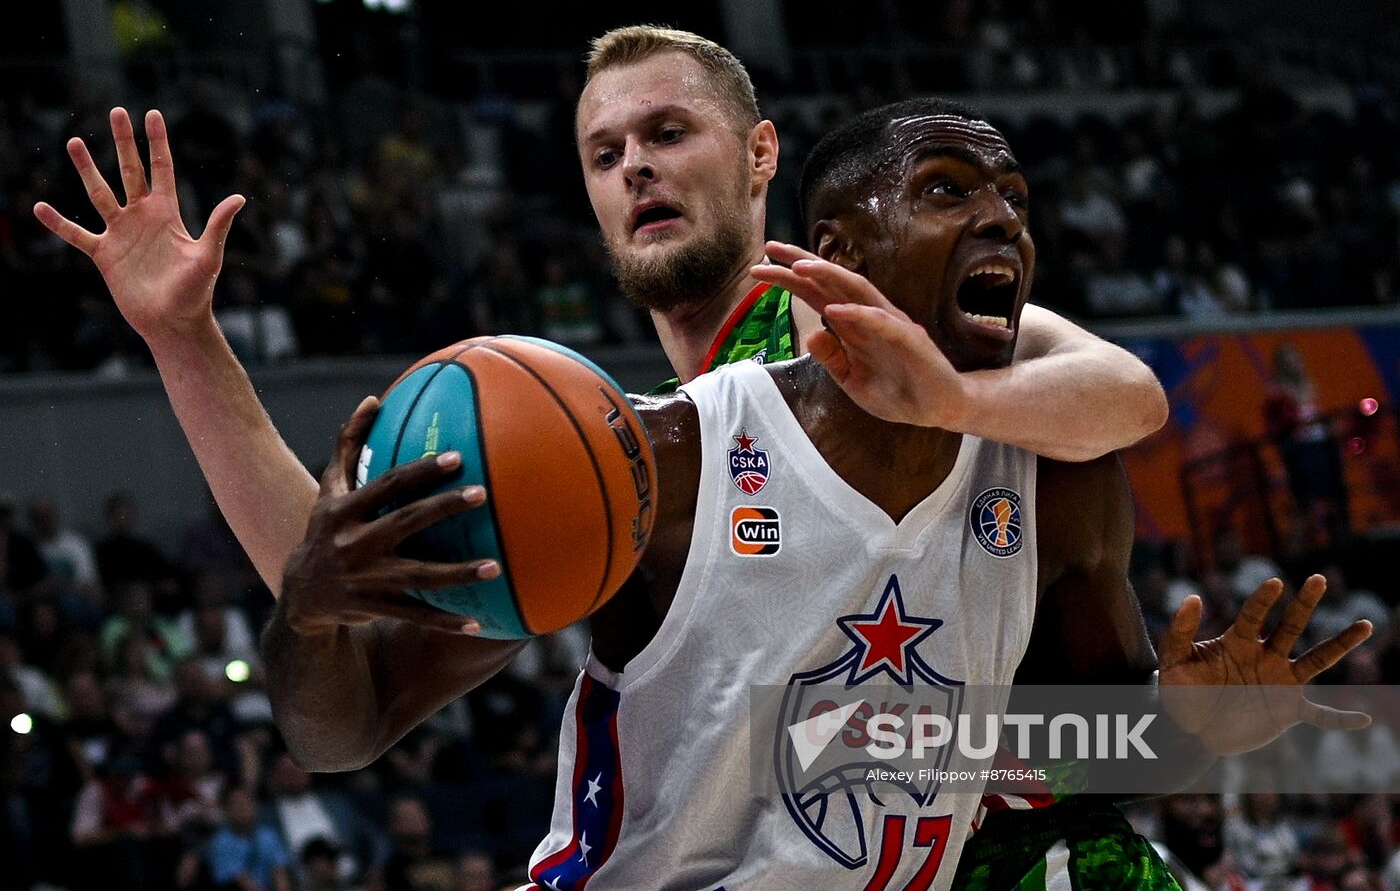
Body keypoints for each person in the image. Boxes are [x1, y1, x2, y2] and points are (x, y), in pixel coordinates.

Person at [260, 98, 1370, 890]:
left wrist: (1180, 731)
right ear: (835, 251)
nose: (1001, 220)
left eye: (1013, 199)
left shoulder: (1055, 471)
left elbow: (1049, 765)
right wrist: (308, 617)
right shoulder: (663, 461)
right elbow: (341, 730)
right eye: (947, 189)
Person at [32, 29, 1167, 604]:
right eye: (604, 153)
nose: (635, 168)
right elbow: (336, 573)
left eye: (668, 134)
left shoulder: (862, 327)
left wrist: (953, 396)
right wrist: (183, 339)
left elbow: (1123, 391)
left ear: (760, 152)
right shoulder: (629, 436)